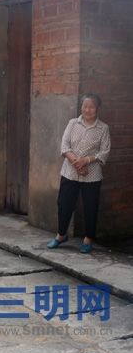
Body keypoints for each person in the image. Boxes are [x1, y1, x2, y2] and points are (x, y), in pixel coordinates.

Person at [47, 93, 111, 254]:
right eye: (85, 106)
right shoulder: (72, 123)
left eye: (91, 107)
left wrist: (87, 160)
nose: (87, 109)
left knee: (90, 207)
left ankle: (88, 239)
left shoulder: (103, 128)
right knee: (64, 204)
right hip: (70, 171)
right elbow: (64, 146)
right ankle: (61, 235)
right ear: (81, 107)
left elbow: (104, 153)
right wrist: (77, 163)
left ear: (97, 109)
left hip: (92, 174)